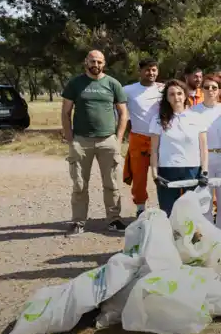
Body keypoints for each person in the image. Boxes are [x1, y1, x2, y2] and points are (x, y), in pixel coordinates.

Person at [61, 50, 129, 234]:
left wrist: (119, 139)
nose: (96, 65)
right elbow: (65, 113)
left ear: (104, 63)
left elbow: (123, 114)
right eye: (92, 61)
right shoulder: (75, 84)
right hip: (81, 141)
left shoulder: (113, 84)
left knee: (112, 183)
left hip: (108, 141)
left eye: (99, 61)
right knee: (80, 184)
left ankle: (114, 219)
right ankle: (78, 221)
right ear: (86, 62)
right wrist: (70, 139)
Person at [148, 80, 210, 215]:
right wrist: (154, 174)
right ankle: (170, 236)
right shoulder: (157, 120)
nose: (176, 97)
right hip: (167, 171)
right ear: (166, 98)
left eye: (179, 93)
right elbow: (153, 150)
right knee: (169, 212)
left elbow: (203, 149)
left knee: (191, 213)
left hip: (193, 170)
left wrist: (204, 172)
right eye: (171, 94)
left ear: (185, 95)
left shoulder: (198, 117)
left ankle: (191, 237)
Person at [191, 77, 221, 233]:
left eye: (214, 87)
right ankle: (208, 238)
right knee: (205, 201)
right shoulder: (193, 110)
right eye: (207, 87)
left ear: (220, 90)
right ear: (201, 89)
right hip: (204, 159)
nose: (210, 90)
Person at [122, 58, 163, 215]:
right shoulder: (128, 90)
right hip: (138, 138)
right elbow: (118, 112)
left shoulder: (163, 89)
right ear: (140, 71)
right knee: (139, 177)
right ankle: (140, 209)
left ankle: (166, 207)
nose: (151, 73)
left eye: (154, 70)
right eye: (147, 69)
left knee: (163, 174)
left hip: (160, 139)